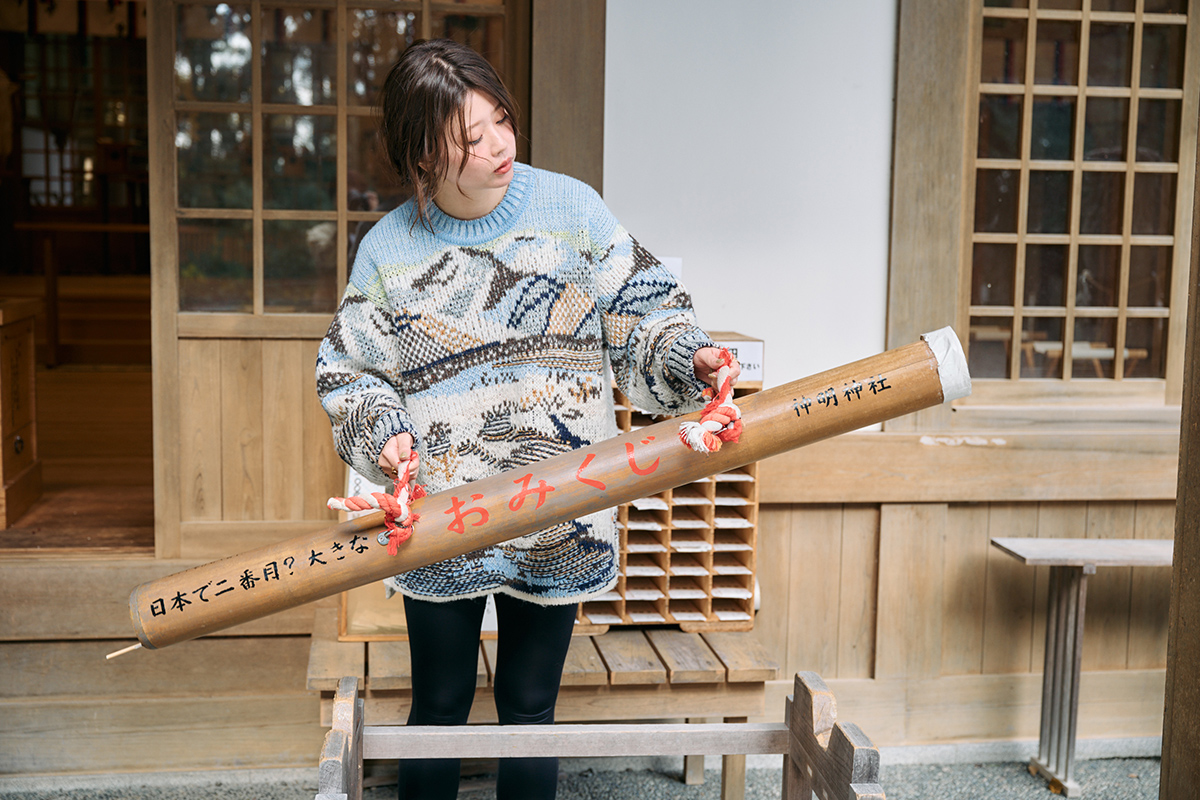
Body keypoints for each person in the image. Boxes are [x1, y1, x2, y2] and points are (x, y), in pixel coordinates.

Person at [315, 38, 740, 800]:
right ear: (422, 157)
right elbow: (349, 370)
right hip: (445, 512)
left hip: (560, 503)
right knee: (438, 707)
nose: (498, 146)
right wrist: (386, 433)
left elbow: (640, 314)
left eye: (500, 120)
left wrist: (689, 358)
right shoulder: (387, 251)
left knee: (532, 710)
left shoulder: (572, 210)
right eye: (468, 140)